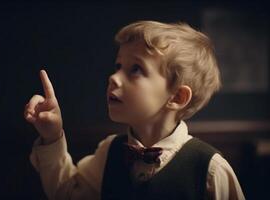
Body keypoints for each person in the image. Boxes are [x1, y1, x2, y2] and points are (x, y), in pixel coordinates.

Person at [25, 20, 245, 200]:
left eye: (135, 69)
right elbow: (66, 193)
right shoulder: (108, 151)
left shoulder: (211, 170)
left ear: (177, 97)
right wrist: (52, 136)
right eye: (118, 66)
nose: (113, 77)